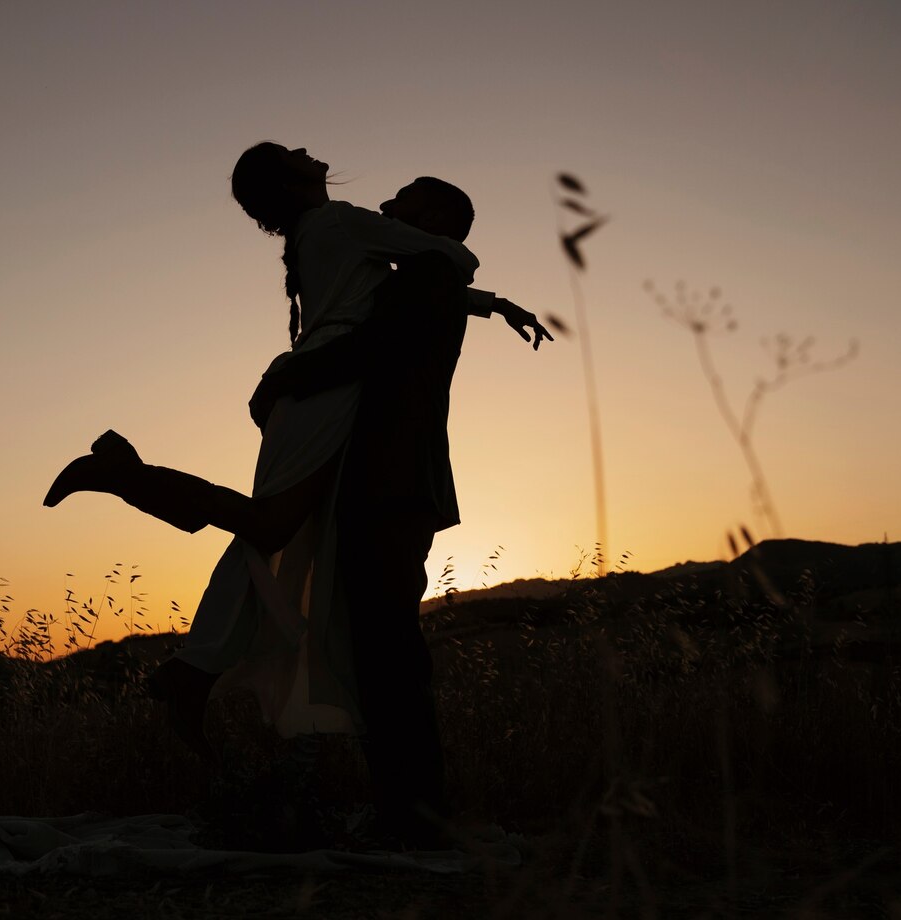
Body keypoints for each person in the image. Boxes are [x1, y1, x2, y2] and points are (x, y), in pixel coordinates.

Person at [44, 143, 534, 767]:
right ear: (287, 181)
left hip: (314, 385)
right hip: (322, 386)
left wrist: (488, 302)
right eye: (290, 152)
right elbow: (446, 257)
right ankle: (126, 478)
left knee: (279, 531)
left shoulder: (324, 232)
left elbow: (405, 285)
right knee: (273, 523)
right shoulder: (339, 221)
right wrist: (480, 289)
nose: (307, 149)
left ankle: (194, 667)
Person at [248, 176, 549, 843]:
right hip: (389, 484)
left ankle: (414, 816)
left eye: (405, 201)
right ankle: (408, 809)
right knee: (380, 650)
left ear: (439, 216)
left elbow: (368, 345)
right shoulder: (421, 280)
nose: (387, 207)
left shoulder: (425, 279)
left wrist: (282, 377)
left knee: (388, 653)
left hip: (391, 484)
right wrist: (498, 303)